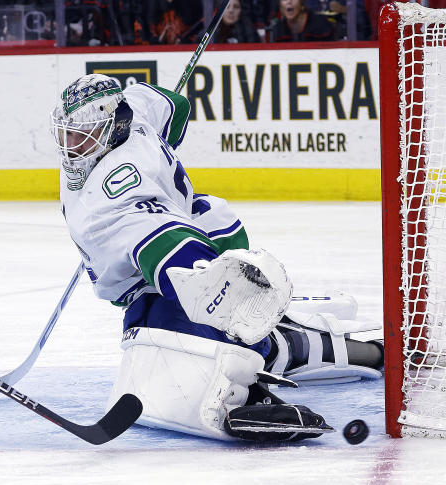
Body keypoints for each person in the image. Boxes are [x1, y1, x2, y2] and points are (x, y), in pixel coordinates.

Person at [48, 73, 383, 442]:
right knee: (149, 320)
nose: (71, 145)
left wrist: (224, 311)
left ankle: (257, 374)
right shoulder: (137, 110)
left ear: (116, 125)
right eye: (66, 133)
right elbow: (175, 107)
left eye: (82, 133)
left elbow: (192, 275)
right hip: (206, 221)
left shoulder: (114, 196)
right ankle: (280, 338)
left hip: (198, 244)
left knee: (191, 321)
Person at [267, 0, 335, 43]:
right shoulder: (278, 29)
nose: (289, 2)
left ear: (302, 5)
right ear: (281, 8)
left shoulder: (320, 24)